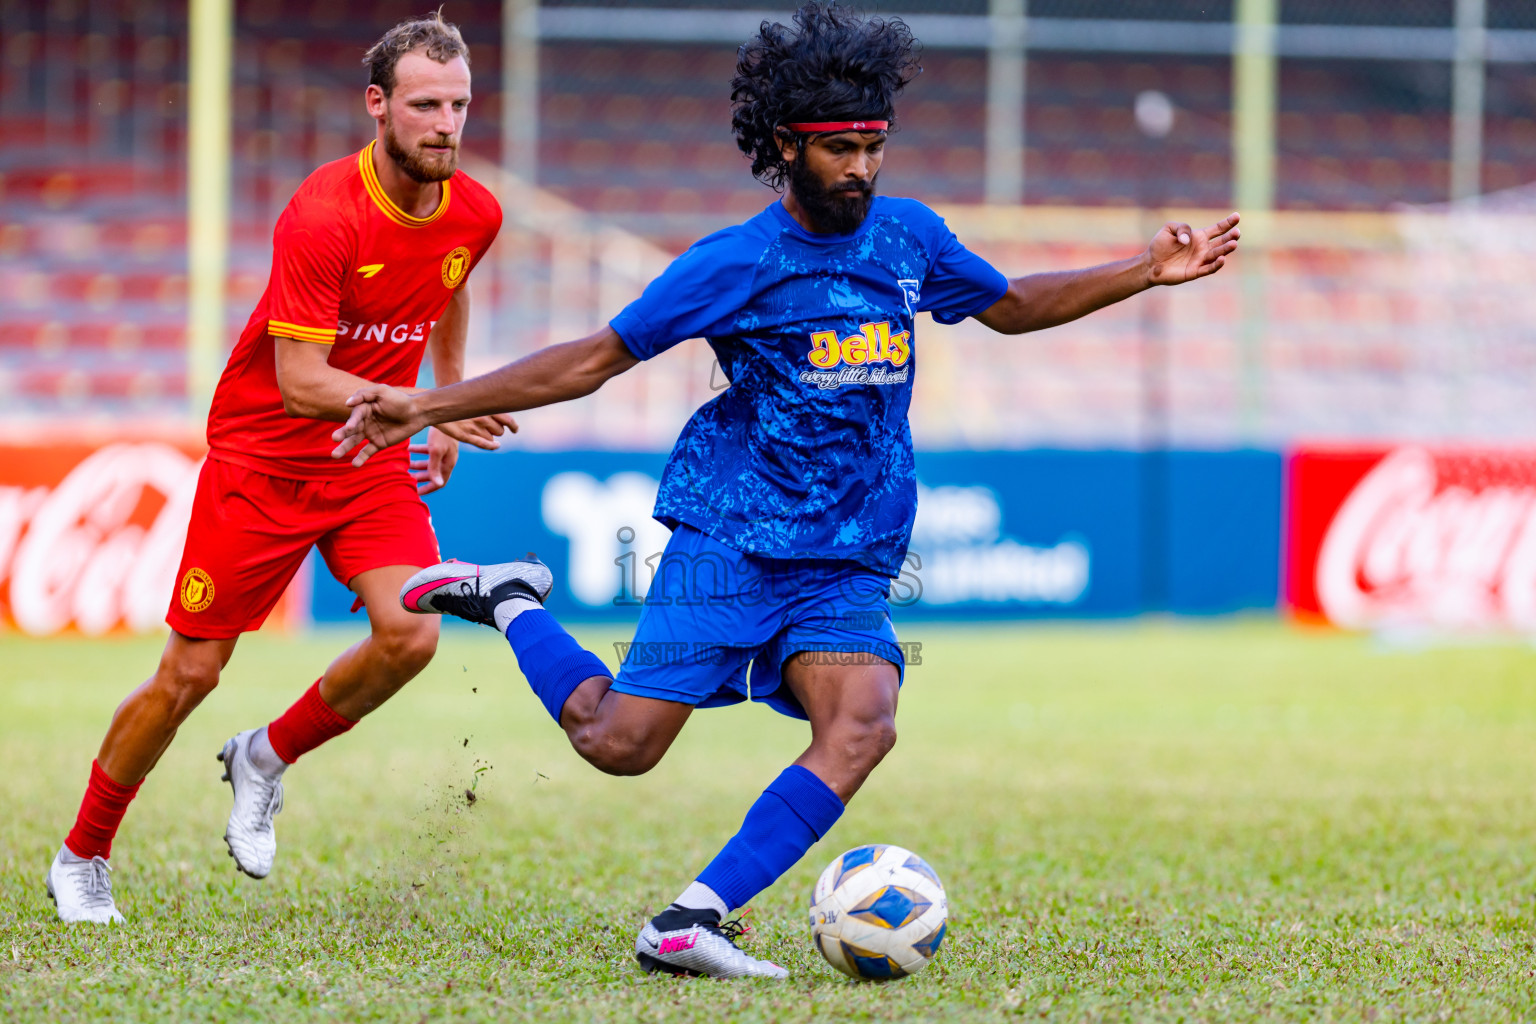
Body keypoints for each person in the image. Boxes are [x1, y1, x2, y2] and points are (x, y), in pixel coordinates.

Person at [332, 1, 1240, 977]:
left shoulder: (909, 239)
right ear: (784, 147)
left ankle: (690, 919)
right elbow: (592, 360)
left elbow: (1010, 307)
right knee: (618, 741)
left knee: (864, 720)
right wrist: (429, 405)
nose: (860, 167)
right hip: (732, 540)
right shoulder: (735, 264)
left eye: (873, 146)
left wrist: (1144, 271)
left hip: (847, 559)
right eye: (838, 149)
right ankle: (510, 600)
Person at [46, 12, 513, 925]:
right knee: (190, 676)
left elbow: (446, 285)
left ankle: (264, 756)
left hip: (369, 458)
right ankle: (83, 852)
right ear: (377, 104)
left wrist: (444, 404)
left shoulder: (477, 210)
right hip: (263, 460)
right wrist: (424, 407)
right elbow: (300, 383)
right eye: (425, 105)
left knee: (412, 633)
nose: (446, 124)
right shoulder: (323, 213)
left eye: (459, 105)